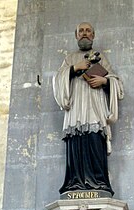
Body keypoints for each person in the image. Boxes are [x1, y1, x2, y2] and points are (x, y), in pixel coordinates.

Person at [53, 22, 124, 196]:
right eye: (81, 31)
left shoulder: (101, 58)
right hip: (76, 110)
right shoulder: (70, 58)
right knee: (76, 142)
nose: (85, 33)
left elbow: (117, 84)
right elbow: (57, 81)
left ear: (93, 35)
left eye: (88, 31)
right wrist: (75, 68)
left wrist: (105, 81)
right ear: (76, 35)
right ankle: (75, 183)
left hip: (94, 109)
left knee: (94, 140)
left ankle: (98, 183)